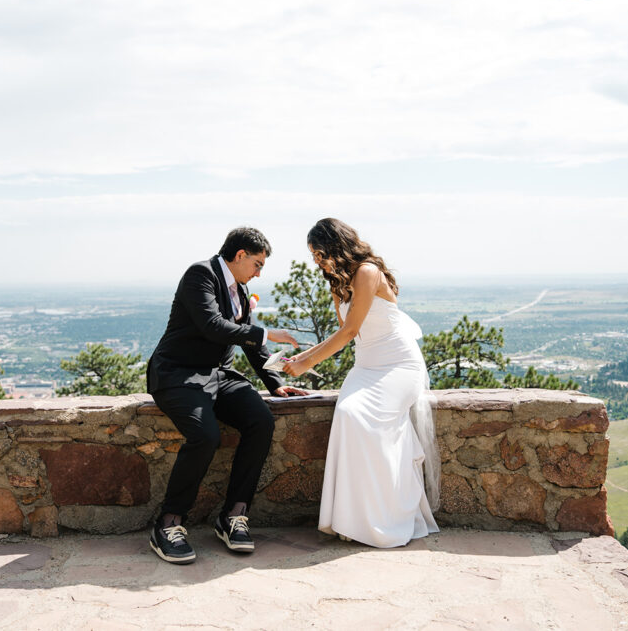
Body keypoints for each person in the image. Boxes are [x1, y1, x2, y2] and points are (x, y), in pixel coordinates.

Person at [146, 227, 307, 564]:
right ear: (239, 256)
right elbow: (212, 325)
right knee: (205, 436)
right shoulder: (200, 275)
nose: (259, 273)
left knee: (261, 420)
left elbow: (247, 343)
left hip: (218, 375)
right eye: (258, 264)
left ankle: (233, 515)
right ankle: (168, 523)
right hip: (179, 373)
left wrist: (273, 382)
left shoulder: (242, 290)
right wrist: (266, 332)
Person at [283, 218, 440, 548]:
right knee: (347, 415)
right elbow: (342, 335)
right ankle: (353, 520)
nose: (316, 261)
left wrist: (307, 362)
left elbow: (350, 331)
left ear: (336, 246)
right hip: (366, 366)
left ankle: (386, 517)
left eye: (319, 253)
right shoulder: (338, 282)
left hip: (398, 365)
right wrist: (297, 360)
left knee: (360, 418)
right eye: (313, 256)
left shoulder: (367, 272)